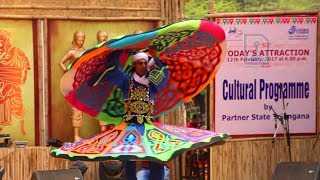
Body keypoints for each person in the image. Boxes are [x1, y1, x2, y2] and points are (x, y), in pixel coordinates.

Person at [58, 30, 86, 142]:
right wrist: (67, 72)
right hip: (73, 82)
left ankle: (77, 135)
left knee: (80, 108)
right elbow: (60, 62)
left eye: (83, 39)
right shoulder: (72, 52)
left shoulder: (85, 51)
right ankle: (76, 136)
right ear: (75, 39)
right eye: (79, 39)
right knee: (76, 108)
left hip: (82, 81)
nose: (81, 41)